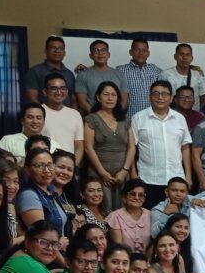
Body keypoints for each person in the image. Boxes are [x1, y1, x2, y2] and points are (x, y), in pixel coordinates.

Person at [131, 80, 193, 208]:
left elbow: (185, 147)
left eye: (165, 94)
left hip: (176, 180)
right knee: (151, 219)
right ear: (150, 97)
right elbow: (132, 148)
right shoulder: (138, 118)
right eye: (156, 93)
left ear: (171, 98)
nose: (160, 97)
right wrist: (133, 175)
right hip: (148, 179)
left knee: (176, 220)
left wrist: (188, 175)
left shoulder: (179, 118)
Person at [83, 80, 134, 214]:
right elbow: (88, 147)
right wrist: (102, 172)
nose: (110, 98)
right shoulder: (91, 119)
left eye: (113, 95)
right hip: (99, 173)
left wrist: (124, 170)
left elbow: (131, 147)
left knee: (123, 210)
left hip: (122, 174)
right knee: (103, 210)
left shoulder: (125, 120)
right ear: (98, 97)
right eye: (106, 94)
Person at [16, 149, 68, 248]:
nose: (47, 170)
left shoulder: (51, 192)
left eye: (50, 165)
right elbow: (42, 239)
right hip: (47, 255)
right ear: (27, 169)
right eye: (40, 166)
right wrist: (64, 263)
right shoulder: (29, 195)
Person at [39, 73, 84, 164]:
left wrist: (73, 167)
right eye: (54, 88)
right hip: (46, 168)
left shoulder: (75, 114)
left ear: (67, 91)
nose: (59, 92)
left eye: (62, 88)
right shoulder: (37, 113)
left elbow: (79, 146)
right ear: (45, 91)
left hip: (68, 170)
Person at [116, 38, 164, 118]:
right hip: (129, 119)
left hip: (152, 119)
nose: (140, 53)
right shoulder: (120, 70)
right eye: (137, 50)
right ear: (130, 52)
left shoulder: (155, 70)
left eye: (144, 50)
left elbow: (169, 76)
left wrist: (190, 67)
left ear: (148, 53)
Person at [25, 36, 76, 108]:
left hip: (66, 116)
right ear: (46, 51)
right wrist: (45, 114)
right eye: (53, 48)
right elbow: (32, 98)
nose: (57, 51)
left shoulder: (69, 74)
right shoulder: (35, 71)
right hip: (45, 116)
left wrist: (73, 114)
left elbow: (73, 99)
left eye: (60, 49)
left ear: (64, 52)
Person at [75, 39, 125, 113]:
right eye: (96, 50)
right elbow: (82, 101)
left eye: (103, 50)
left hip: (115, 119)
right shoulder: (83, 75)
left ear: (109, 54)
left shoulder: (119, 74)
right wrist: (97, 118)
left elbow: (124, 100)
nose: (100, 53)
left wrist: (115, 115)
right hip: (92, 119)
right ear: (91, 55)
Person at [108, 179, 152, 255]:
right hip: (124, 261)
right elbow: (119, 247)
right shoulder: (115, 217)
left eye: (141, 195)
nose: (137, 198)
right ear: (124, 196)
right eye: (132, 194)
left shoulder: (151, 215)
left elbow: (154, 243)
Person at [162, 44, 205, 108]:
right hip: (172, 115)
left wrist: (200, 113)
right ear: (175, 56)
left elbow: (203, 96)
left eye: (188, 55)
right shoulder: (165, 75)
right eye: (181, 54)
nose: (184, 57)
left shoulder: (197, 75)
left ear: (191, 58)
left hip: (193, 115)